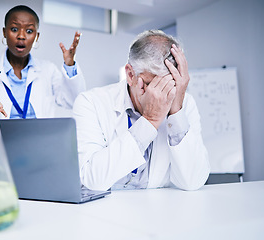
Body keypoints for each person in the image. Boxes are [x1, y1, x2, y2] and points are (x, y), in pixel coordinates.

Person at [73, 30, 210, 191]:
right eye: (155, 85)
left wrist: (176, 113)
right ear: (131, 75)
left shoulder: (184, 104)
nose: (164, 95)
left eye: (171, 84)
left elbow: (193, 181)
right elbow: (92, 180)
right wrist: (150, 121)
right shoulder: (91, 102)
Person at [0, 5, 85, 119]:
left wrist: (70, 64)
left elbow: (72, 101)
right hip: (1, 137)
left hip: (39, 136)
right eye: (14, 29)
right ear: (4, 32)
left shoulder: (48, 70)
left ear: (36, 36)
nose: (21, 36)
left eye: (29, 31)